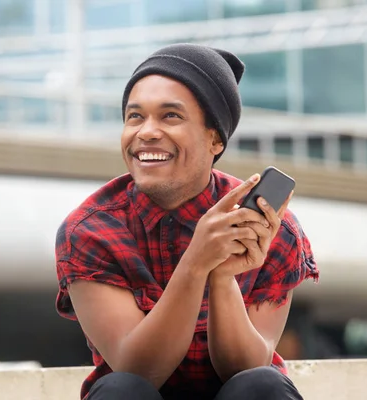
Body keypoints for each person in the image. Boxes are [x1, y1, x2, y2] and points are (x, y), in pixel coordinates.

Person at [55, 43, 319, 400]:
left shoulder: (271, 229)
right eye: (135, 116)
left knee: (263, 384)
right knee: (121, 389)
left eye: (170, 116)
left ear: (214, 138)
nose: (146, 132)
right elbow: (137, 369)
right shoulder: (90, 231)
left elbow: (248, 368)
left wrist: (223, 275)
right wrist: (196, 264)